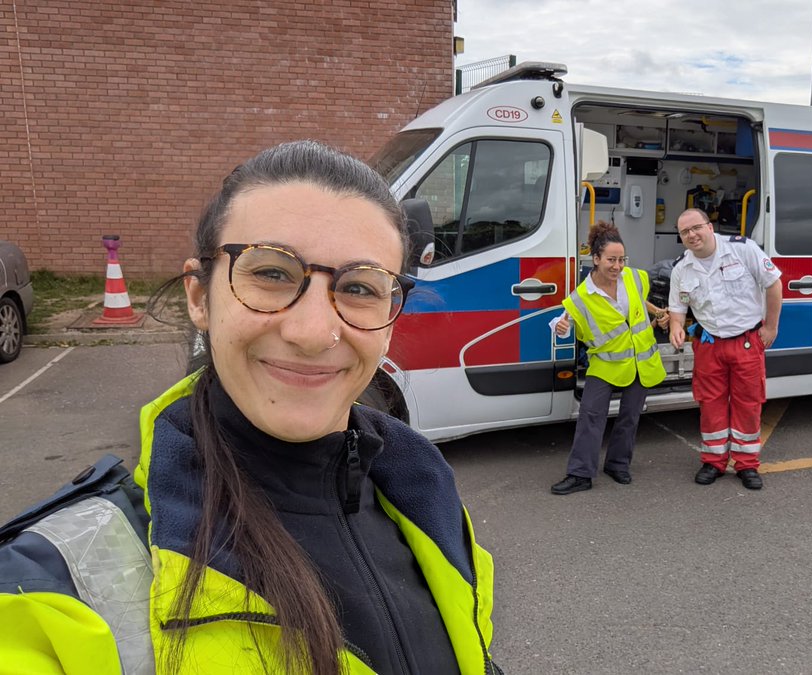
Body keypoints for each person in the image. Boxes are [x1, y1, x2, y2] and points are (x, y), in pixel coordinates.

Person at [0, 141, 499, 674]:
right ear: (199, 297)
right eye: (271, 274)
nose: (312, 333)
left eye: (359, 287)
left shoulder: (427, 499)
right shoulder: (52, 582)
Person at [549, 221, 669, 495]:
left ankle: (618, 465)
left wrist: (658, 313)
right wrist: (560, 326)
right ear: (596, 259)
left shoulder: (635, 277)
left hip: (640, 360)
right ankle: (580, 474)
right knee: (590, 416)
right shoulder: (581, 296)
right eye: (611, 260)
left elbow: (639, 299)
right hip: (605, 364)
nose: (617, 266)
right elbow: (562, 319)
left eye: (621, 259)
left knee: (630, 416)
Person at [668, 208, 782, 490]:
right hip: (709, 344)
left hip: (746, 341)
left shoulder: (742, 250)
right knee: (710, 403)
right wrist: (676, 326)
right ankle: (713, 461)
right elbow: (677, 307)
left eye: (696, 228)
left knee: (748, 403)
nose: (692, 235)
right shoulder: (682, 268)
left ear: (709, 226)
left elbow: (774, 284)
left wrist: (771, 328)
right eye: (685, 232)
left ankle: (747, 465)